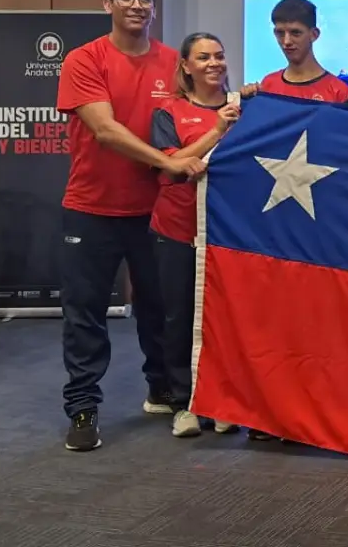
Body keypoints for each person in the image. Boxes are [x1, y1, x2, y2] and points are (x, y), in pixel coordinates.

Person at [56, 0, 205, 452]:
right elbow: (105, 130)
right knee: (86, 312)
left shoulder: (171, 63)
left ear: (155, 9)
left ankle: (162, 387)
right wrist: (168, 162)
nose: (137, 5)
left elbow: (204, 108)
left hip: (157, 209)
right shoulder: (85, 59)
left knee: (159, 308)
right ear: (108, 6)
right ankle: (83, 406)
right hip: (91, 208)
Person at [149, 33, 241, 438]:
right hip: (177, 230)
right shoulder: (168, 113)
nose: (213, 63)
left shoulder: (246, 108)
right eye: (203, 57)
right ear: (186, 66)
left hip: (230, 235)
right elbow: (171, 168)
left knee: (225, 319)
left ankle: (220, 400)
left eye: (219, 56)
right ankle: (183, 403)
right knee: (179, 317)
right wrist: (217, 130)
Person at [253, 0, 348, 103]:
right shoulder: (268, 85)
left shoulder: (339, 92)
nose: (286, 41)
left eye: (295, 33)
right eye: (280, 33)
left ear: (314, 34)